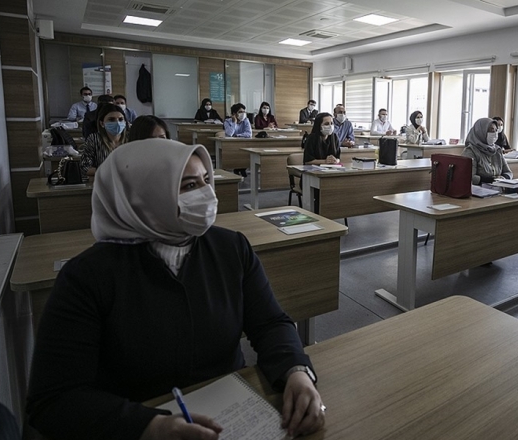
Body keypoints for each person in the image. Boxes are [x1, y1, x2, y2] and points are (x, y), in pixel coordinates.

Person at [26, 139, 325, 440]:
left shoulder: (231, 247)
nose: (207, 195)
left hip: (232, 410)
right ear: (145, 196)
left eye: (206, 181)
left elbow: (270, 323)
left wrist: (296, 371)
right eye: (188, 186)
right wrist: (148, 426)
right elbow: (53, 399)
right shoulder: (86, 276)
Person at [80, 104, 128, 177]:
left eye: (121, 119)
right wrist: (107, 171)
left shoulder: (130, 138)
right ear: (102, 123)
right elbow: (84, 167)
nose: (117, 123)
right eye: (111, 119)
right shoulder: (94, 139)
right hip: (104, 182)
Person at [462, 118, 513, 185]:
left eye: (496, 130)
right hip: (478, 191)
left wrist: (504, 178)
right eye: (491, 130)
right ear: (480, 131)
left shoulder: (497, 150)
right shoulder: (470, 151)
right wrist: (492, 180)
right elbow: (470, 177)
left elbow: (509, 173)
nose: (494, 134)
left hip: (498, 189)